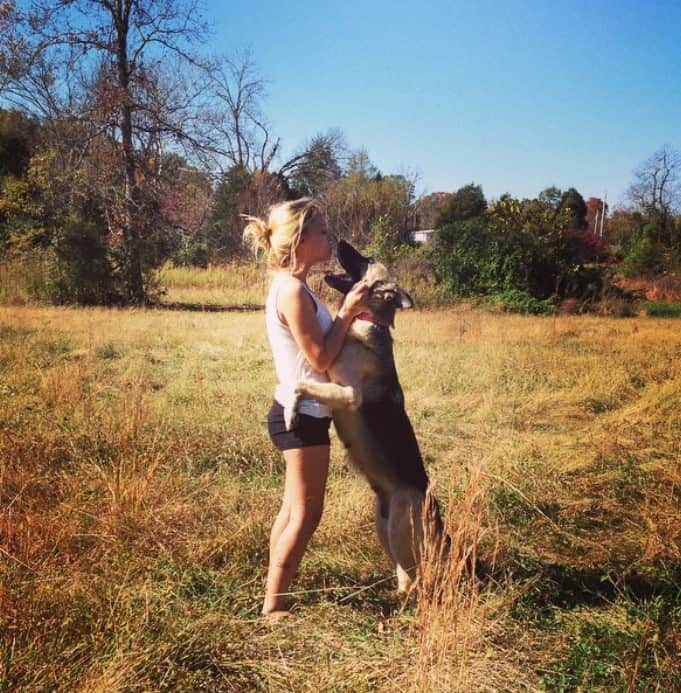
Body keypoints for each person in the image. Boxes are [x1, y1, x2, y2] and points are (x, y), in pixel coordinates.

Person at [242, 198, 369, 619]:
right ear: (300, 240)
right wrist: (347, 314)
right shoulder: (293, 290)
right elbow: (319, 359)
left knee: (292, 509)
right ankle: (273, 607)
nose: (328, 237)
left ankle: (272, 589)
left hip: (300, 412)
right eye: (321, 232)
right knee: (306, 514)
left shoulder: (294, 286)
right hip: (303, 417)